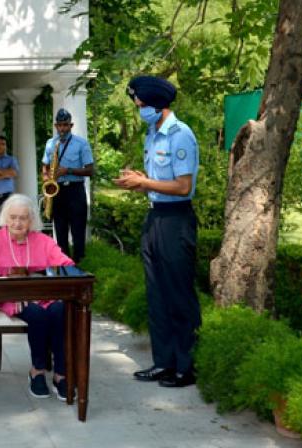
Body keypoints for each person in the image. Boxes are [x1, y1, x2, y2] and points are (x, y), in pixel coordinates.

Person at [114, 76, 201, 388]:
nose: (139, 109)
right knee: (157, 295)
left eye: (141, 104)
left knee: (178, 294)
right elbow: (158, 182)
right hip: (155, 219)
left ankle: (185, 367)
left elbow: (183, 186)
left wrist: (145, 183)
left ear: (157, 104)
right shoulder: (153, 134)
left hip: (176, 221)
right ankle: (163, 362)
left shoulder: (180, 136)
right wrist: (141, 180)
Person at [0, 194, 75, 400]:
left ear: (31, 221)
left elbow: (65, 264)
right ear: (5, 218)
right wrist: (19, 288)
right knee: (38, 315)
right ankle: (37, 371)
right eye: (13, 217)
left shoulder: (43, 240)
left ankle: (61, 373)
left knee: (60, 310)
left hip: (43, 295)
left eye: (23, 218)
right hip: (10, 298)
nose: (17, 222)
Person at [41, 108, 94, 263]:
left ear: (71, 125)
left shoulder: (81, 143)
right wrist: (46, 177)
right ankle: (63, 265)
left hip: (75, 190)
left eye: (65, 125)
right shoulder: (51, 143)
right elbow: (44, 165)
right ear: (56, 126)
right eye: (59, 125)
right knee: (60, 230)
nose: (62, 128)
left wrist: (68, 170)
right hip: (57, 191)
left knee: (78, 230)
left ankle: (79, 263)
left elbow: (90, 170)